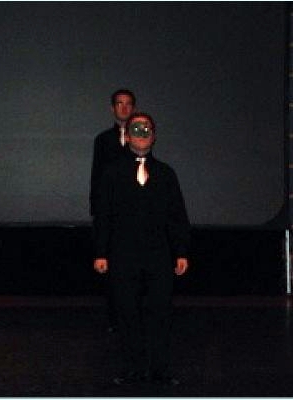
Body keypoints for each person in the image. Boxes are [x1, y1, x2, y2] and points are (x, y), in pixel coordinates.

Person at [93, 112, 190, 386]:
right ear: (127, 136)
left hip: (159, 254)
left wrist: (181, 251)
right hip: (123, 254)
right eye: (136, 129)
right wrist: (100, 252)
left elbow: (177, 215)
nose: (141, 133)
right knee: (127, 313)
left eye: (146, 129)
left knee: (161, 312)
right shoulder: (112, 172)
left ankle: (160, 369)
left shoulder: (166, 173)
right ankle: (133, 368)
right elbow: (103, 215)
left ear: (154, 136)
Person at [90, 88, 136, 333]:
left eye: (128, 104)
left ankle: (133, 317)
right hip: (109, 212)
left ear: (134, 108)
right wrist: (96, 210)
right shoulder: (103, 139)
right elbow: (96, 176)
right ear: (112, 108)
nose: (124, 108)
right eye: (119, 103)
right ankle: (114, 319)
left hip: (134, 212)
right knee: (110, 267)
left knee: (134, 267)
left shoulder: (140, 136)